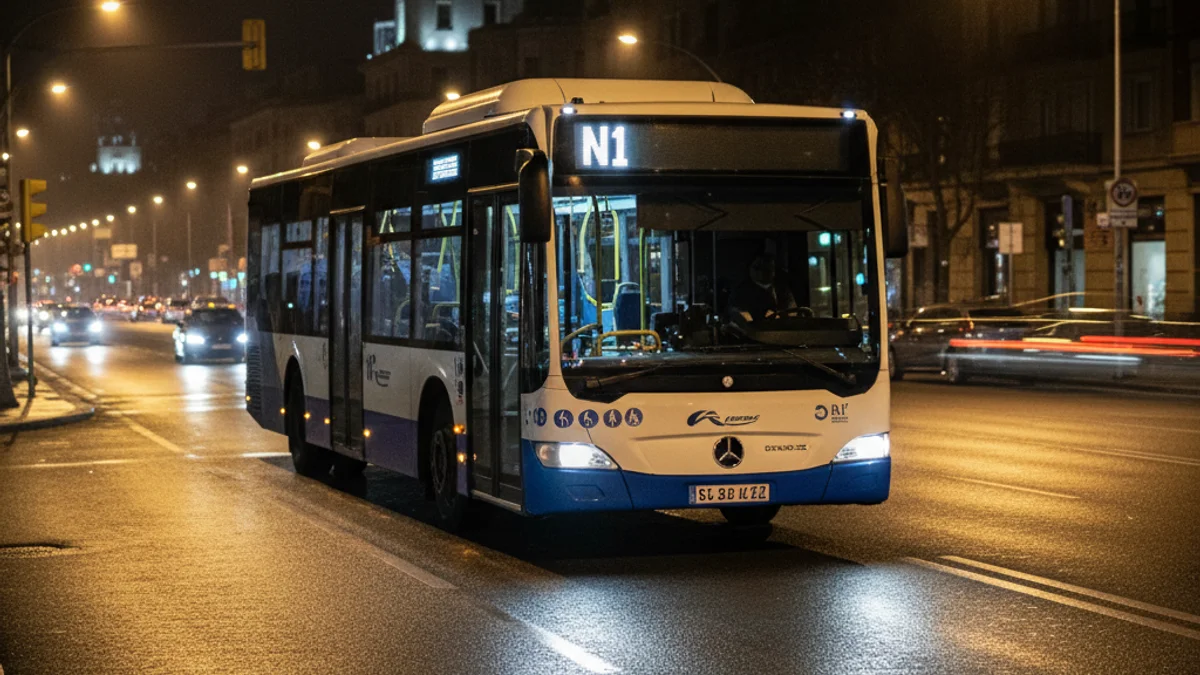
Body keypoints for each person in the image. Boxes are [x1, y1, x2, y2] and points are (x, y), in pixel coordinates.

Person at [730, 253, 795, 322]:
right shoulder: (740, 291)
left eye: (767, 268)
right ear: (749, 269)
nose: (761, 272)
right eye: (757, 268)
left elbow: (793, 311)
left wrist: (780, 315)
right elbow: (735, 312)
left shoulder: (783, 289)